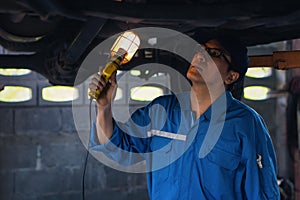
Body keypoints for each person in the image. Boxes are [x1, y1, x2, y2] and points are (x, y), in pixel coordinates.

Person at [88, 34, 280, 199]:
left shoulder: (245, 123)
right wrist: (104, 107)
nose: (201, 56)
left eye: (213, 54)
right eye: (200, 50)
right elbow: (117, 148)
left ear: (231, 77)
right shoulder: (162, 110)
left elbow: (263, 193)